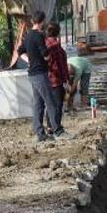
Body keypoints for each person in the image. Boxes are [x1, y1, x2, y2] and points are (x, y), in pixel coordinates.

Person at [17, 11, 69, 142]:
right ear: (42, 21)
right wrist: (46, 57)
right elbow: (45, 54)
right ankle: (58, 130)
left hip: (32, 74)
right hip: (40, 73)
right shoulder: (39, 36)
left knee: (38, 104)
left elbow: (19, 51)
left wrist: (29, 61)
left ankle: (40, 133)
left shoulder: (28, 36)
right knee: (50, 102)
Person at [44, 23, 68, 133]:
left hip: (45, 79)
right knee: (57, 104)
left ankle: (49, 126)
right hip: (55, 79)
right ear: (58, 32)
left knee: (49, 104)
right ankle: (56, 126)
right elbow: (60, 65)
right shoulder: (55, 46)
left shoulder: (43, 43)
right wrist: (66, 79)